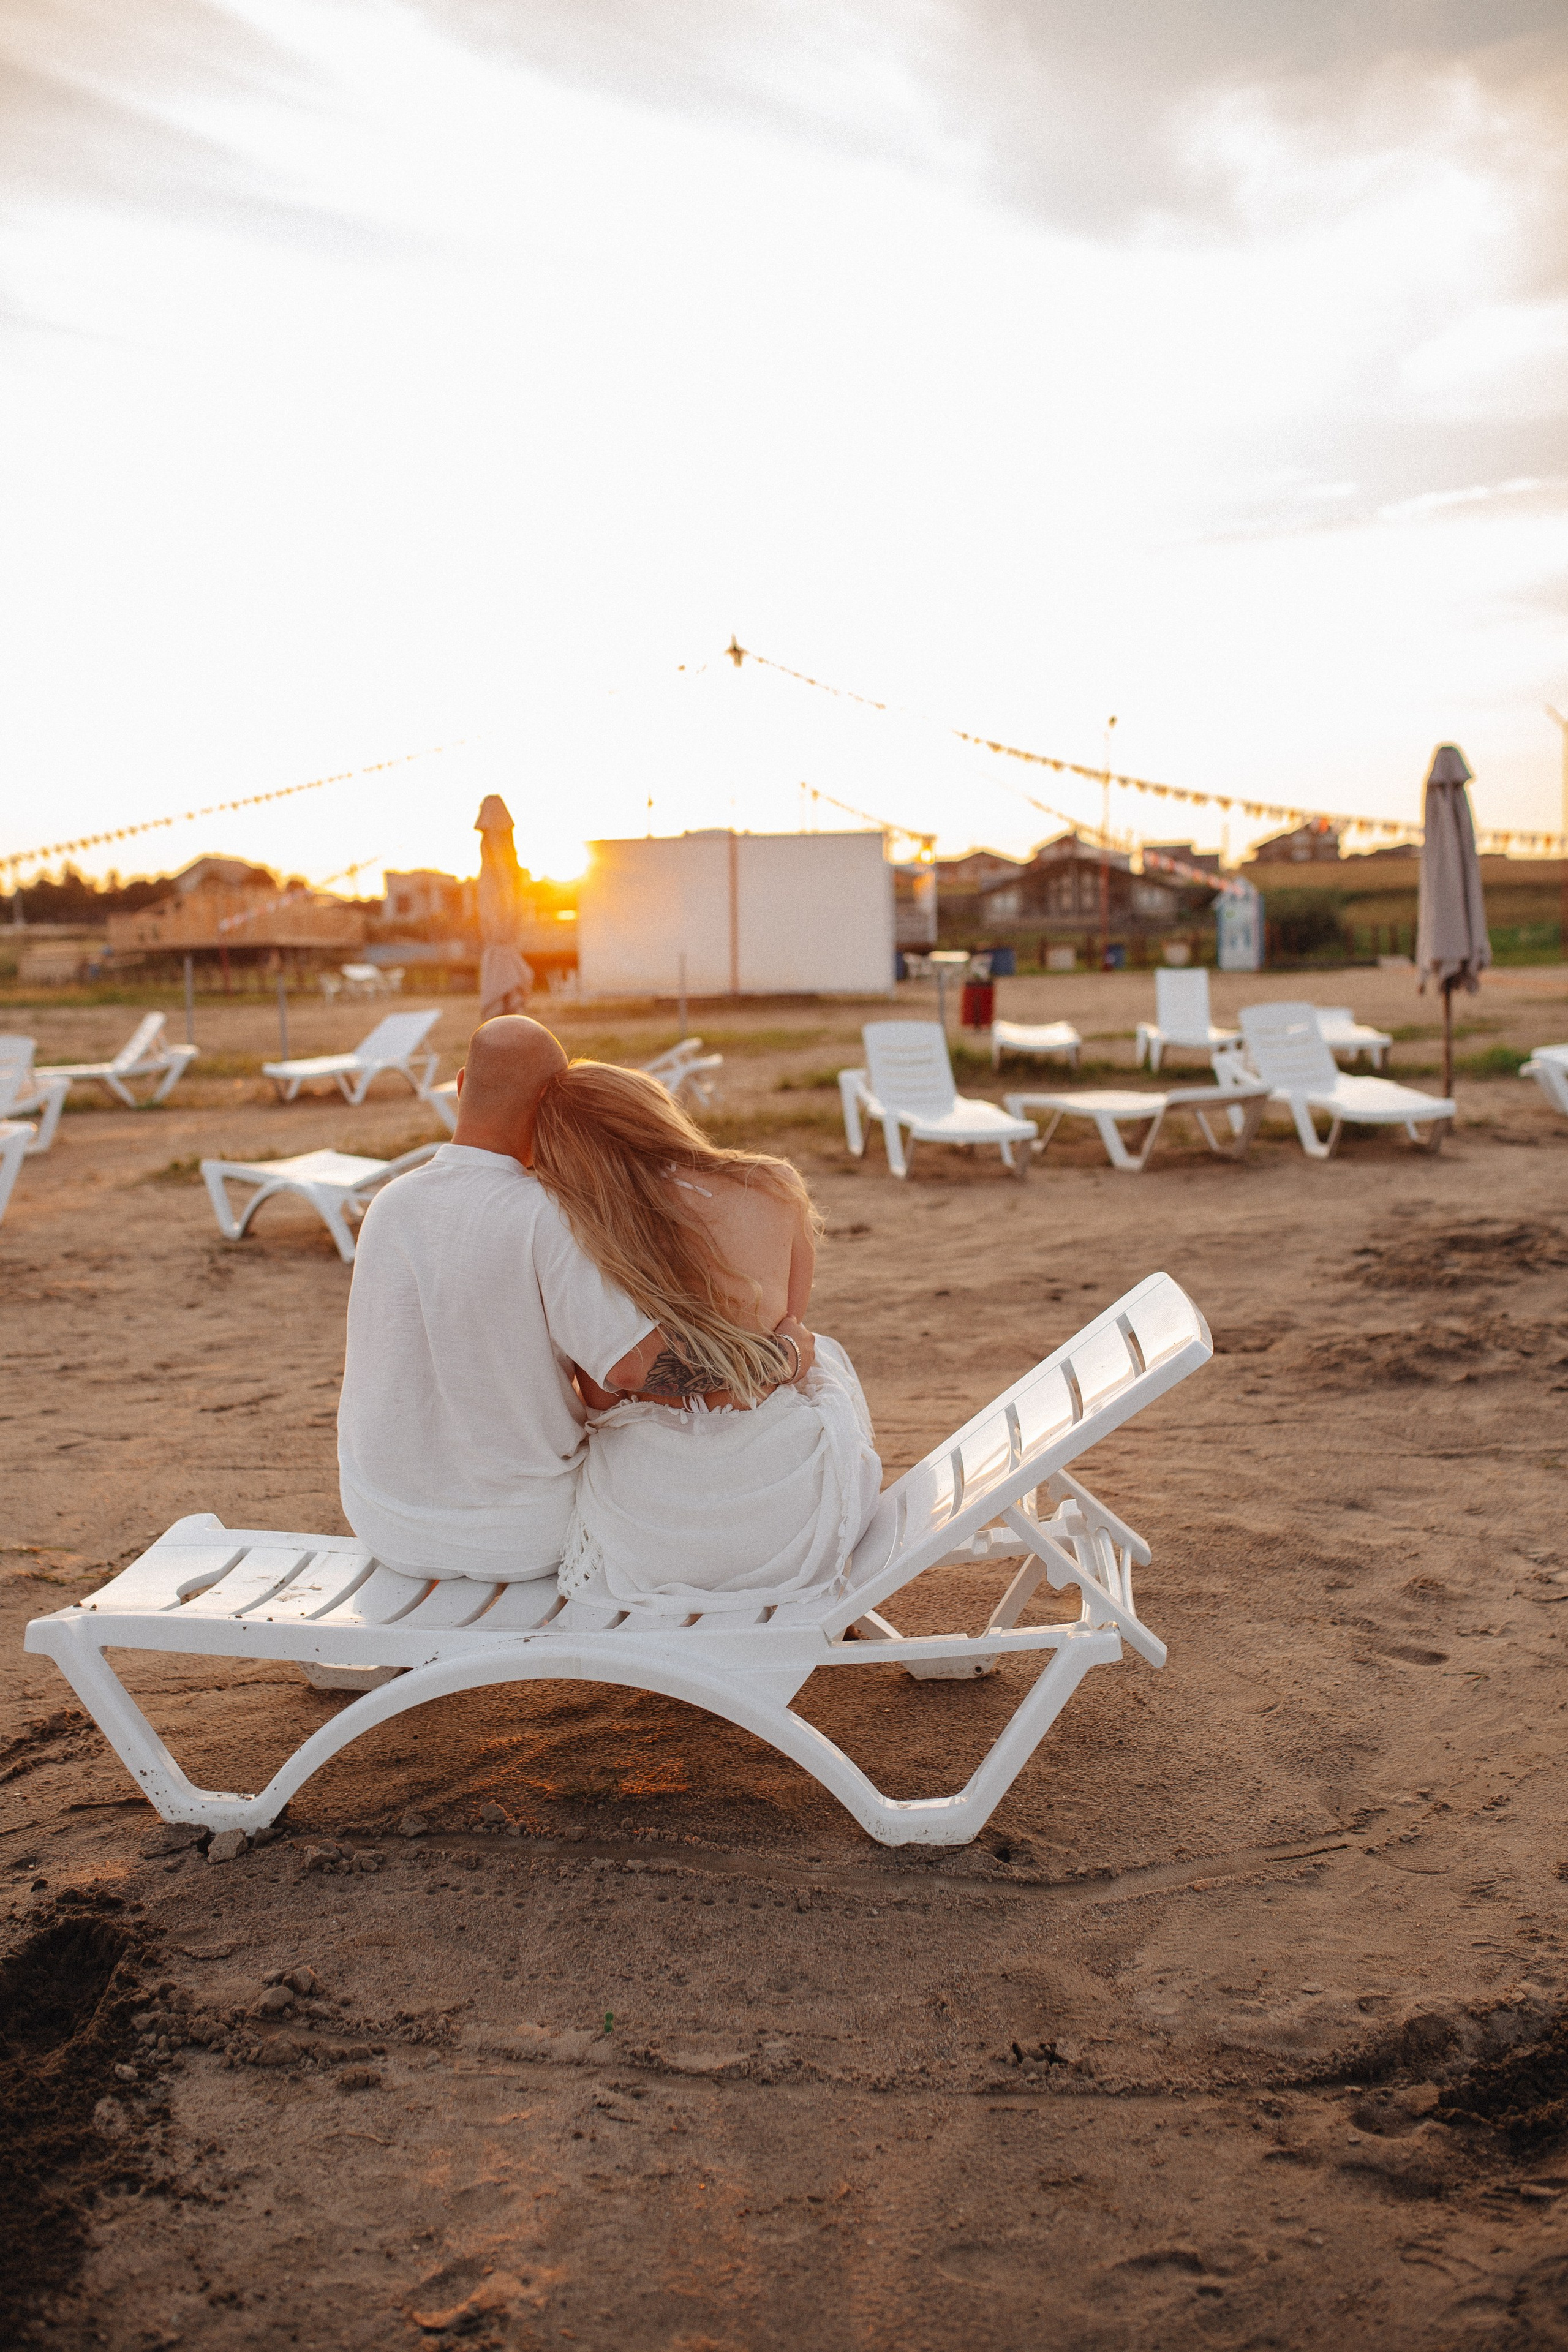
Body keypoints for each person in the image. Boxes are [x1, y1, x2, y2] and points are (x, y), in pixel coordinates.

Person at [337, 1016, 816, 1586]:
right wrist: (783, 1352)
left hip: (383, 1522)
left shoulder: (391, 1203)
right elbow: (643, 1370)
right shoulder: (548, 1216)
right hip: (520, 1536)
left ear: (463, 1085)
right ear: (553, 1106)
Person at [529, 1058, 882, 1613]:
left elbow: (602, 1396)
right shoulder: (773, 1184)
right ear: (655, 1110)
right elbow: (789, 1324)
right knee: (822, 1355)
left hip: (655, 1536)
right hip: (790, 1516)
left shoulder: (583, 1227)